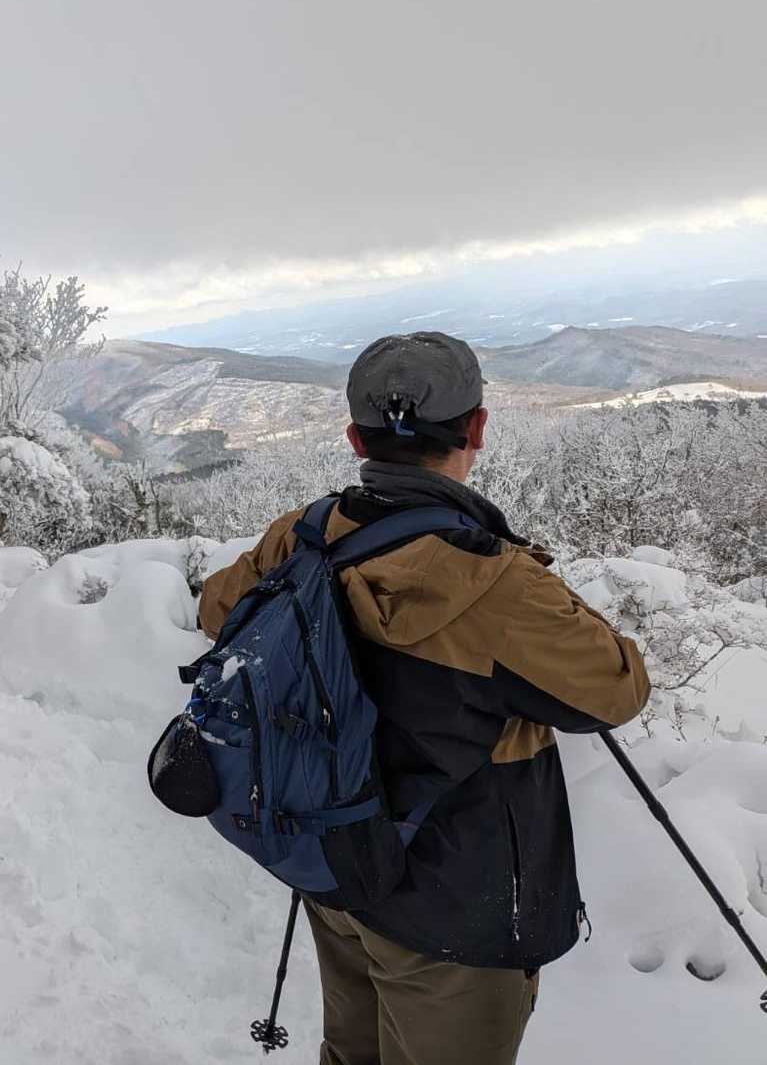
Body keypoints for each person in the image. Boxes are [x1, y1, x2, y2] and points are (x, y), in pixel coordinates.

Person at [196, 331, 651, 1065]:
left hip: (336, 857)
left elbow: (218, 609)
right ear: (477, 429)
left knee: (351, 1051)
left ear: (355, 439)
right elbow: (618, 688)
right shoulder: (493, 580)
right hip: (456, 905)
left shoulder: (304, 535)